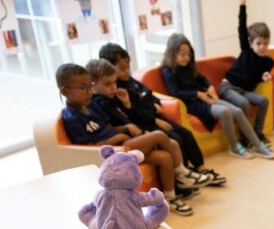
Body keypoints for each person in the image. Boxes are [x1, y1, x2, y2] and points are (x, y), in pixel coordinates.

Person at [56, 63, 196, 216]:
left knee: (164, 157)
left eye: (90, 86)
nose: (90, 91)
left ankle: (170, 198)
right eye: (83, 88)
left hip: (122, 146)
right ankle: (183, 174)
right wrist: (119, 137)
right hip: (111, 154)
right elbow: (89, 147)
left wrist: (125, 128)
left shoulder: (92, 105)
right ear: (64, 91)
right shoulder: (71, 117)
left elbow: (110, 127)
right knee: (160, 135)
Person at [98, 42, 227, 186]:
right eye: (121, 68)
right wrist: (155, 120)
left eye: (128, 66)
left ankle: (200, 170)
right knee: (175, 138)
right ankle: (182, 177)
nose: (127, 71)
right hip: (148, 122)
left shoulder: (131, 81)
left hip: (155, 117)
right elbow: (135, 112)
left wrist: (156, 104)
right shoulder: (117, 91)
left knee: (185, 133)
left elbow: (148, 93)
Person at [86, 58, 211, 200]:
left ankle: (172, 195)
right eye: (107, 84)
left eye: (114, 82)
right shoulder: (98, 102)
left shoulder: (113, 97)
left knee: (169, 150)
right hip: (123, 145)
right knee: (160, 135)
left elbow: (130, 116)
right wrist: (130, 128)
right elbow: (116, 126)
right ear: (93, 85)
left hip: (134, 138)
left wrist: (127, 104)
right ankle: (183, 175)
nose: (114, 87)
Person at [161, 33, 273, 160]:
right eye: (182, 54)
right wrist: (198, 94)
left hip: (205, 97)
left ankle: (258, 145)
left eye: (188, 54)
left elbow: (202, 79)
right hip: (192, 103)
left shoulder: (189, 67)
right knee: (225, 111)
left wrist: (210, 86)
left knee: (238, 111)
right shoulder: (167, 71)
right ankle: (235, 146)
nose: (186, 58)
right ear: (172, 53)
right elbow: (175, 92)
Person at [219, 0, 274, 156]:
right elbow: (241, 27)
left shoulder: (269, 62)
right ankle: (246, 139)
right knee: (243, 103)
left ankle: (257, 133)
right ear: (251, 43)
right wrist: (242, 5)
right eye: (258, 43)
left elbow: (259, 75)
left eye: (265, 43)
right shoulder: (246, 49)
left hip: (244, 90)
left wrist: (264, 77)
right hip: (228, 87)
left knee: (263, 100)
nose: (262, 47)